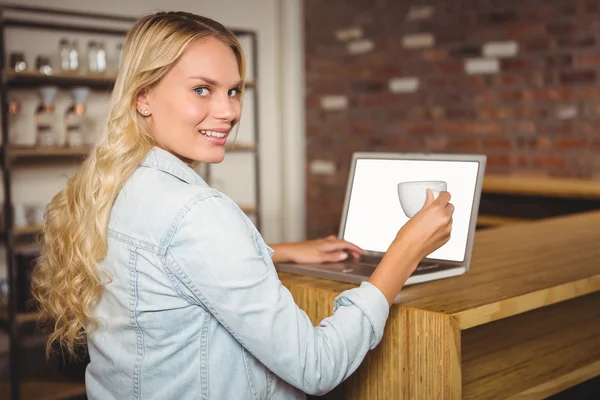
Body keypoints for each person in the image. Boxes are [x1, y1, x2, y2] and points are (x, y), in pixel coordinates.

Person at [31, 11, 454, 400]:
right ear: (143, 97)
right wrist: (404, 253)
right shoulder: (197, 212)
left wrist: (274, 252)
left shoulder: (114, 185)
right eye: (202, 90)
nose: (229, 111)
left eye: (233, 91)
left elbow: (170, 269)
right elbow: (317, 365)